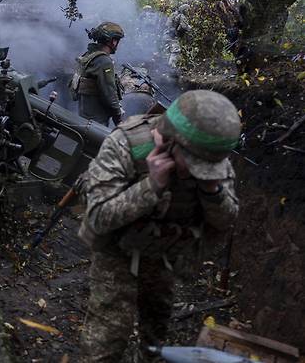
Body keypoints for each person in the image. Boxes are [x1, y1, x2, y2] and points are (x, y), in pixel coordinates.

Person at [77, 90, 241, 363]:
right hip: (117, 251)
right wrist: (151, 186)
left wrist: (212, 191)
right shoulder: (125, 144)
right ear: (169, 141)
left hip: (165, 254)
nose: (197, 172)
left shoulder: (210, 153)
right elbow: (98, 217)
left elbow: (226, 220)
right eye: (193, 165)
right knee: (107, 337)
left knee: (156, 326)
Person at [69, 22, 125, 126]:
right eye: (117, 40)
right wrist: (118, 119)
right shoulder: (104, 61)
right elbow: (109, 94)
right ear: (113, 41)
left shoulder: (89, 56)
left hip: (84, 116)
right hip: (97, 121)